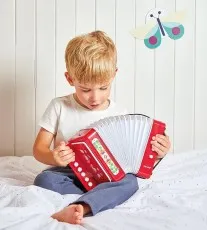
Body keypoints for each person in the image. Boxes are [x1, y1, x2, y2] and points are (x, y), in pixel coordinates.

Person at [33, 30, 171, 225]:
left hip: (107, 174)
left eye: (103, 88)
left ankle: (84, 206)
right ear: (70, 79)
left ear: (114, 75)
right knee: (44, 180)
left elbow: (133, 158)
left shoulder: (120, 113)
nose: (95, 98)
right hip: (70, 172)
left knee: (130, 182)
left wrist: (158, 153)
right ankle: (101, 196)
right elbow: (38, 150)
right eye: (85, 89)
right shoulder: (59, 106)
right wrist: (53, 157)